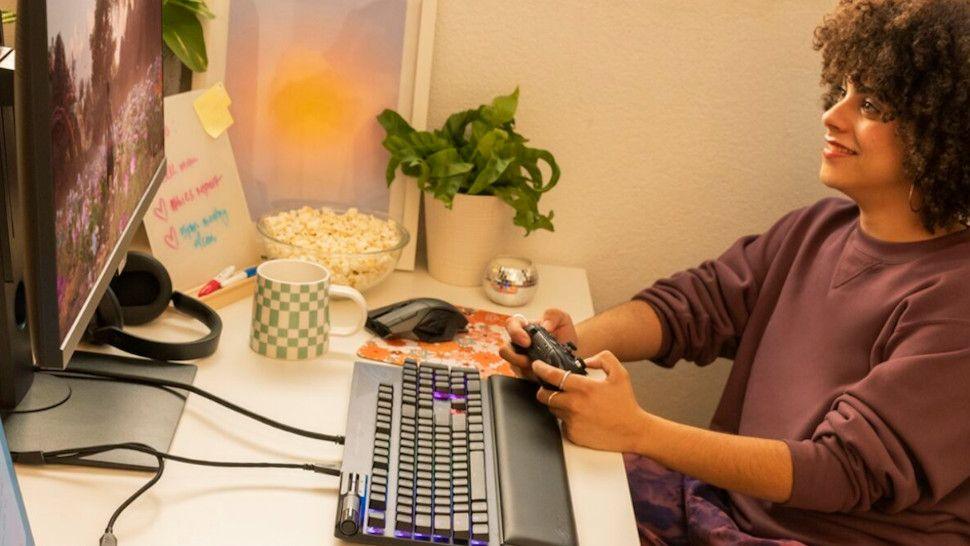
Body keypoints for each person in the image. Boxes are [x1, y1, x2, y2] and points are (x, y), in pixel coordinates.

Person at [499, 1, 969, 544]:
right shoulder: (816, 229)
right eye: (842, 90)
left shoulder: (956, 299)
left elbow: (841, 470)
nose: (832, 116)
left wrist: (638, 431)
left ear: (943, 129)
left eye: (870, 104)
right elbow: (695, 307)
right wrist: (567, 347)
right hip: (719, 511)